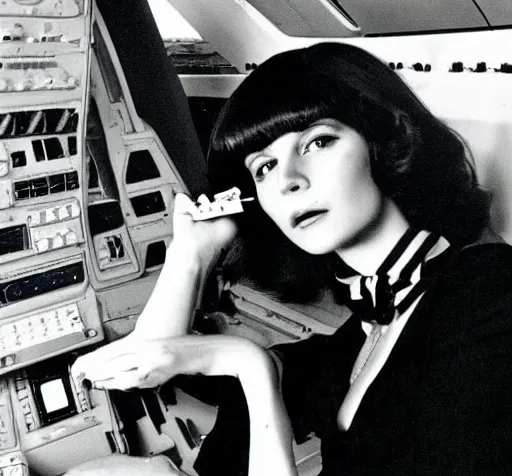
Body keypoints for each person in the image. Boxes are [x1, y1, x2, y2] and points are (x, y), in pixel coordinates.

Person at [69, 42, 512, 476]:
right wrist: (191, 253)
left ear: (385, 142)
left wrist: (248, 363)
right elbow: (147, 365)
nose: (288, 182)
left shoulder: (490, 296)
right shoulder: (371, 320)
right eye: (264, 167)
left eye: (317, 142)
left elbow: (248, 370)